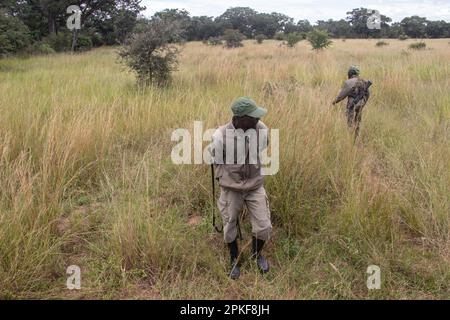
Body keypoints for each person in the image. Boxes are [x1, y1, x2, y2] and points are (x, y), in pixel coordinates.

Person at [211, 97, 272, 280]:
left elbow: (263, 147)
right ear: (240, 118)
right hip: (231, 187)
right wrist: (227, 181)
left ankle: (256, 254)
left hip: (254, 185)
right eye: (253, 117)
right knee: (230, 224)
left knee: (263, 227)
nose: (257, 120)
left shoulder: (261, 129)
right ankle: (234, 258)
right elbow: (217, 161)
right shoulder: (220, 135)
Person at [332, 66, 372, 138]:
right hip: (360, 104)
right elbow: (368, 94)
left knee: (350, 122)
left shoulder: (349, 82)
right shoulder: (364, 81)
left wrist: (334, 102)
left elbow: (342, 95)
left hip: (351, 105)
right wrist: (362, 104)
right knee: (357, 122)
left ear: (349, 74)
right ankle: (356, 138)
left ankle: (349, 138)